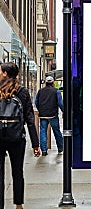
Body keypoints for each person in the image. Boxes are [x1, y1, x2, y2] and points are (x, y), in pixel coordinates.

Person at [0, 62, 40, 209]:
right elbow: (30, 119)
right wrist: (36, 144)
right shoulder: (22, 92)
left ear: (5, 73)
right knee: (18, 172)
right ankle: (18, 204)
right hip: (17, 139)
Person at [35, 76, 64, 156]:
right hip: (53, 115)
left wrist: (40, 109)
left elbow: (36, 102)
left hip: (43, 115)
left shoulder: (40, 91)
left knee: (43, 132)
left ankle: (44, 150)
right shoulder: (56, 91)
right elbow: (60, 103)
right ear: (53, 83)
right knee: (56, 131)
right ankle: (60, 148)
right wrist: (64, 111)